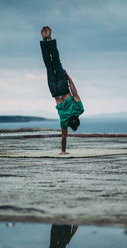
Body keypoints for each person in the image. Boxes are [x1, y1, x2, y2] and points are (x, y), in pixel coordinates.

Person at [40, 26, 84, 154]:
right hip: (55, 91)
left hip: (64, 88)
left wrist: (69, 78)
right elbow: (64, 137)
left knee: (56, 62)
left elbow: (75, 92)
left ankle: (49, 39)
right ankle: (44, 40)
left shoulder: (79, 109)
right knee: (49, 65)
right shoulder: (64, 121)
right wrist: (63, 151)